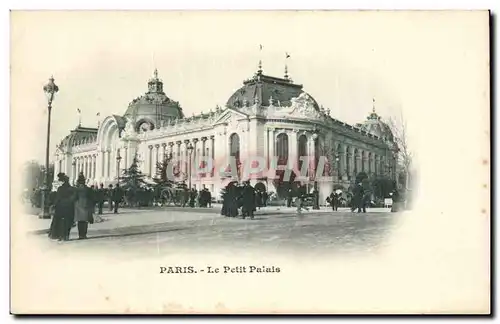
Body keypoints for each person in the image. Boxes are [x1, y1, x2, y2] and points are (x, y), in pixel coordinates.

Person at [48, 173, 75, 241]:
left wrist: (54, 205)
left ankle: (61, 236)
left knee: (60, 222)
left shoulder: (60, 189)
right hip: (69, 207)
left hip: (60, 207)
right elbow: (74, 198)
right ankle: (66, 235)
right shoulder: (71, 189)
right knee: (68, 221)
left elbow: (58, 198)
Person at [74, 172, 95, 240]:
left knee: (80, 221)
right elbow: (92, 198)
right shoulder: (88, 189)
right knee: (85, 221)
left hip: (79, 206)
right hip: (86, 205)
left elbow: (74, 198)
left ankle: (80, 235)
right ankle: (84, 235)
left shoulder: (76, 189)